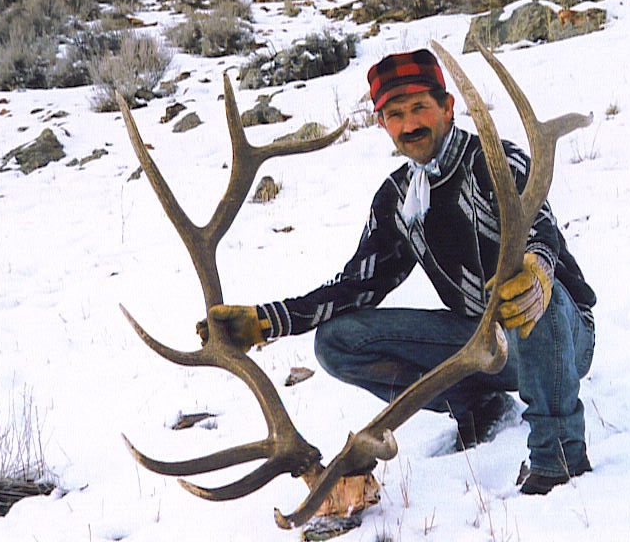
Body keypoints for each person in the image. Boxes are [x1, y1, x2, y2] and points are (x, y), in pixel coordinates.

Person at [205, 49, 597, 495]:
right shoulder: (399, 199)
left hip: (560, 338)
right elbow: (358, 285)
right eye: (395, 114)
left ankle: (558, 455)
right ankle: (478, 405)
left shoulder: (495, 160)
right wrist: (268, 319)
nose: (409, 125)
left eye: (419, 109)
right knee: (337, 343)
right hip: (481, 345)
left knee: (526, 289)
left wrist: (539, 267)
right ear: (381, 123)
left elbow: (541, 226)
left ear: (447, 108)